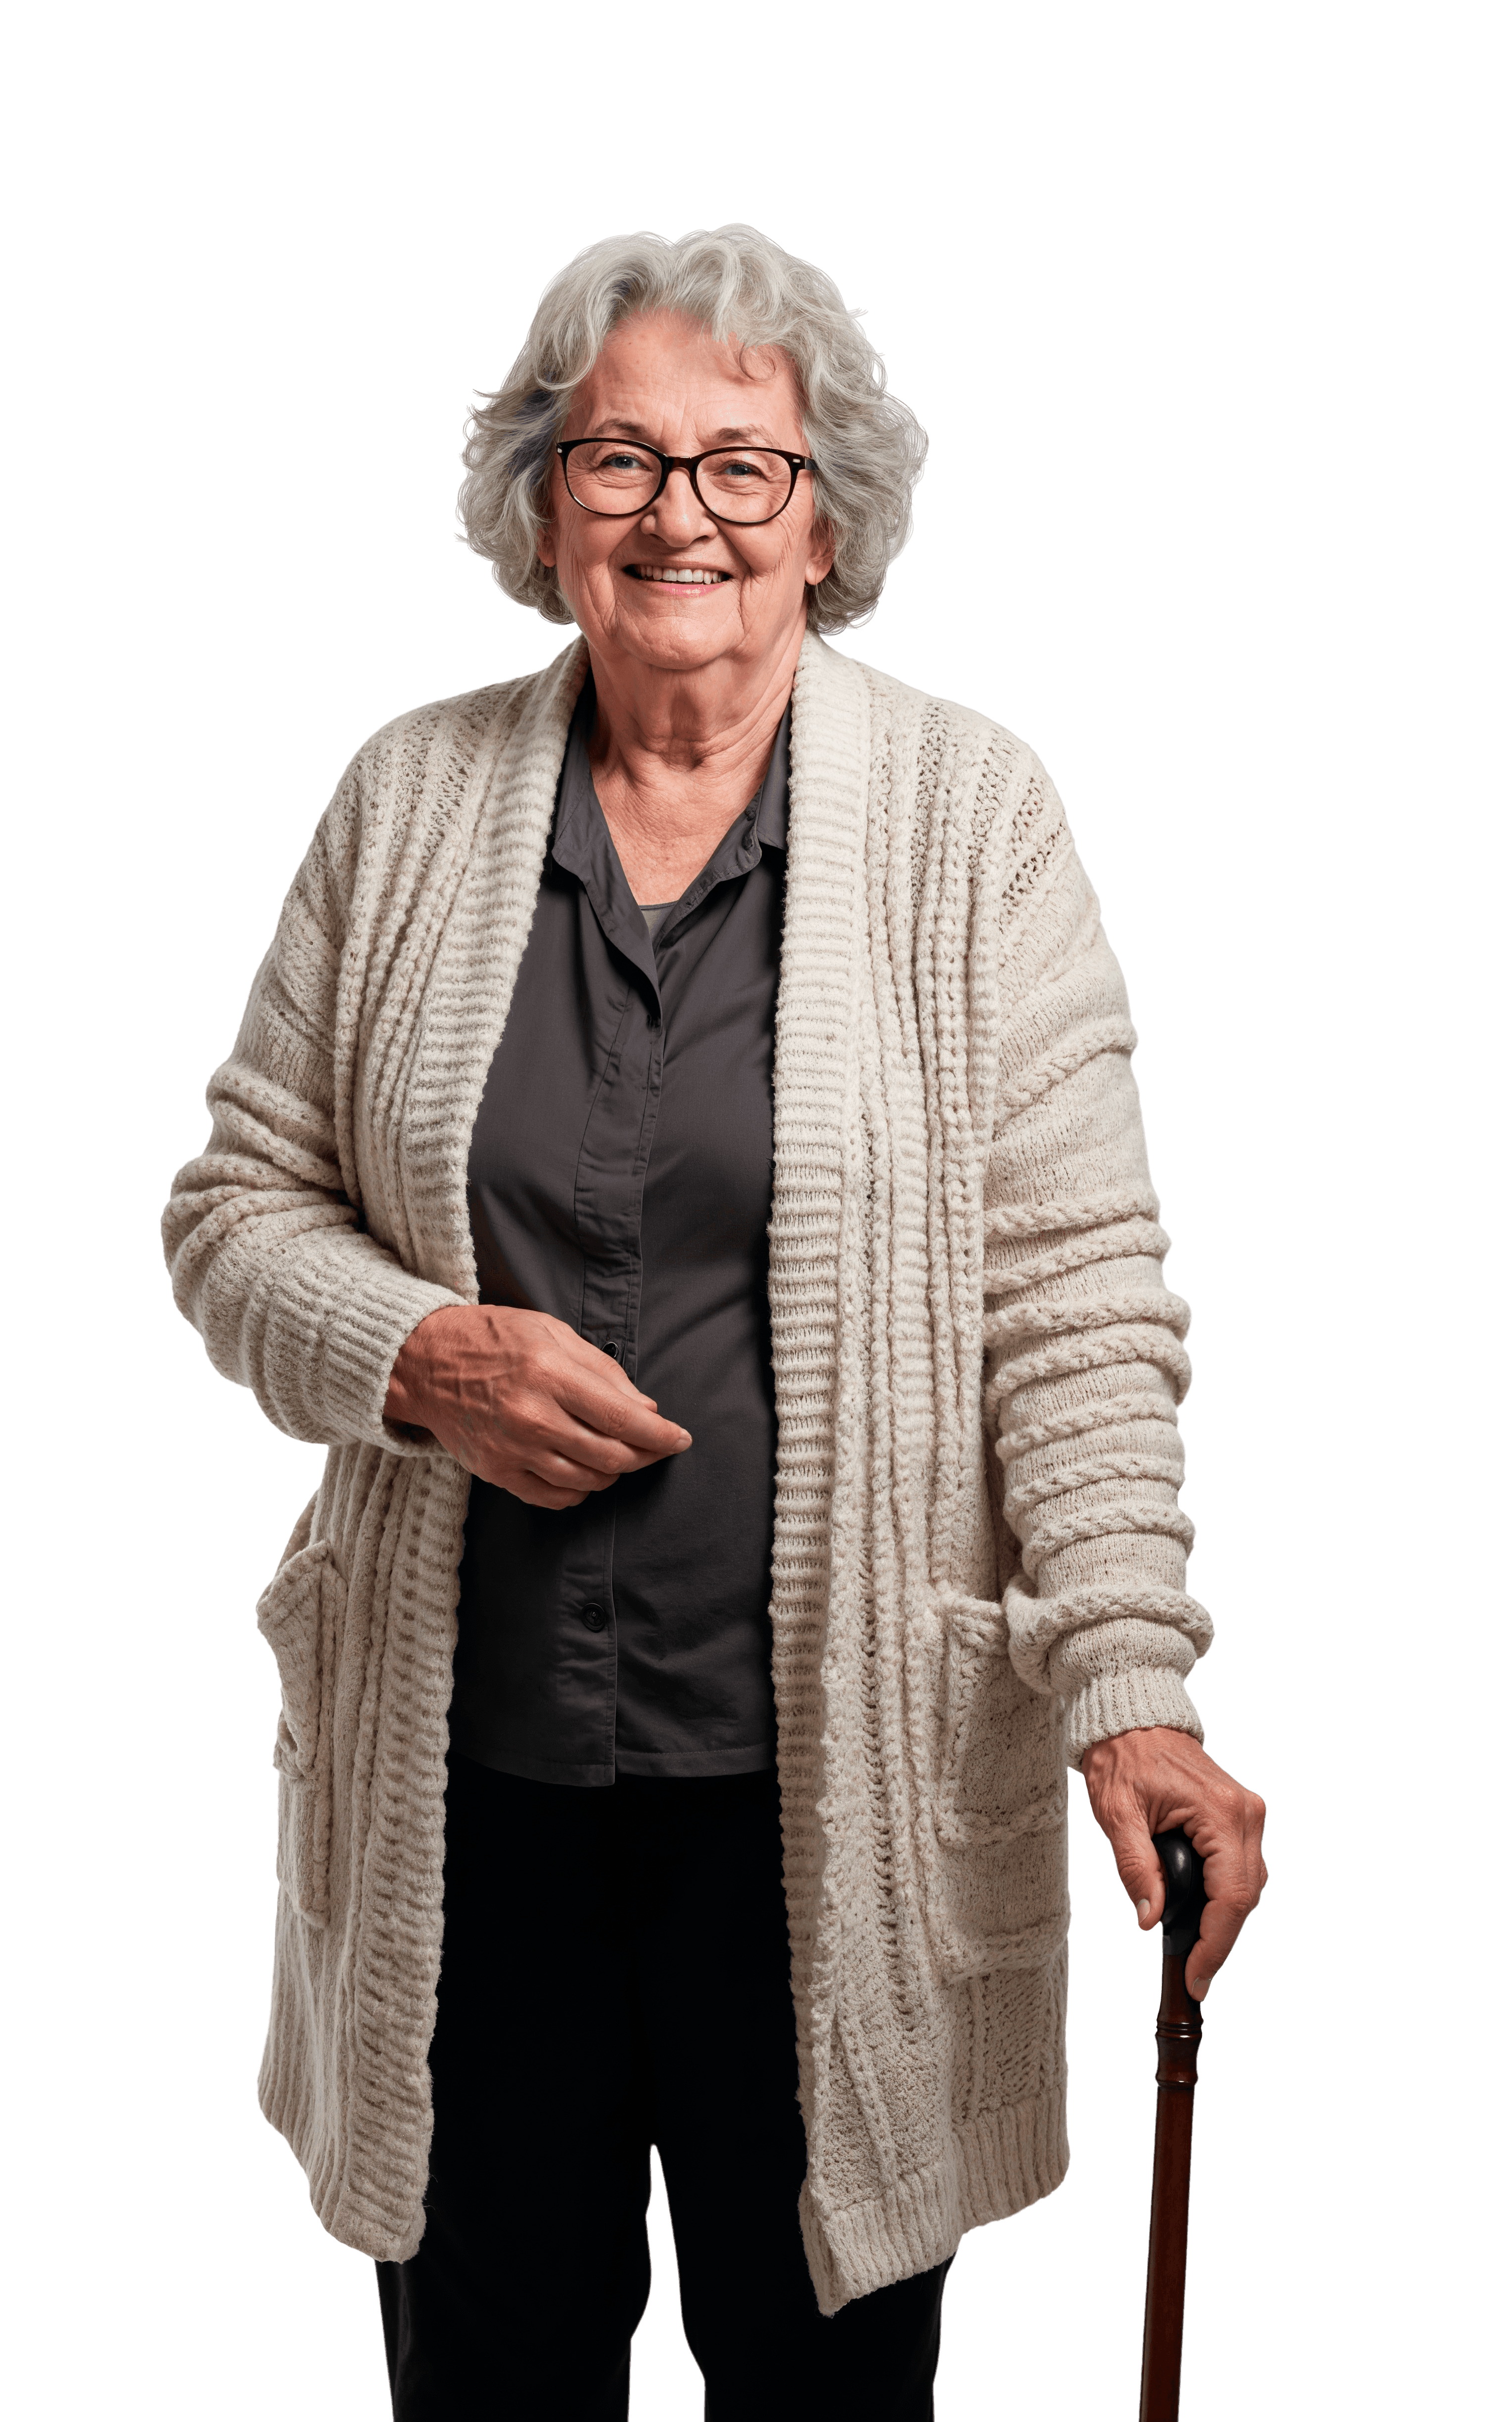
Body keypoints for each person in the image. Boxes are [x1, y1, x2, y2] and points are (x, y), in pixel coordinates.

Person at [161, 223, 1267, 2420]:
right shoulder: (405, 800)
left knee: (826, 2382)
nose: (681, 512)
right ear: (537, 503)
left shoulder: (974, 820)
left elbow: (1072, 1300)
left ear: (826, 514)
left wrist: (1127, 1685)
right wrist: (411, 1353)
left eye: (743, 464)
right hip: (463, 1798)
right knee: (489, 2375)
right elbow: (232, 1206)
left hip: (826, 1807)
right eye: (620, 456)